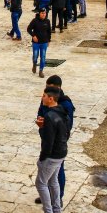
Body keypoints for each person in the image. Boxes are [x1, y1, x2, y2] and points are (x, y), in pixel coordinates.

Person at [34, 75, 75, 204]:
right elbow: (41, 112)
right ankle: (46, 194)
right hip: (47, 138)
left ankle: (58, 198)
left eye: (49, 88)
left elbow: (67, 126)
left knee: (57, 171)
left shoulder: (65, 104)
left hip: (57, 144)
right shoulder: (46, 99)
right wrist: (41, 121)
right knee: (47, 171)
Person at [33, 86, 69, 213]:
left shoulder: (49, 116)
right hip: (61, 152)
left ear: (50, 98)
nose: (42, 98)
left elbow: (48, 140)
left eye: (44, 96)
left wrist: (41, 127)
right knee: (53, 181)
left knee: (41, 183)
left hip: (52, 155)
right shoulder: (62, 111)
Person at [27, 9, 51, 78]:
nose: (44, 14)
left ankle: (41, 70)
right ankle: (34, 64)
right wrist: (33, 36)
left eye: (45, 13)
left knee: (43, 56)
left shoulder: (47, 21)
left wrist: (49, 40)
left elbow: (49, 31)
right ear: (39, 13)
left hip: (44, 42)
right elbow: (28, 29)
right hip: (36, 42)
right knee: (35, 56)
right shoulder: (35, 20)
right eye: (42, 13)